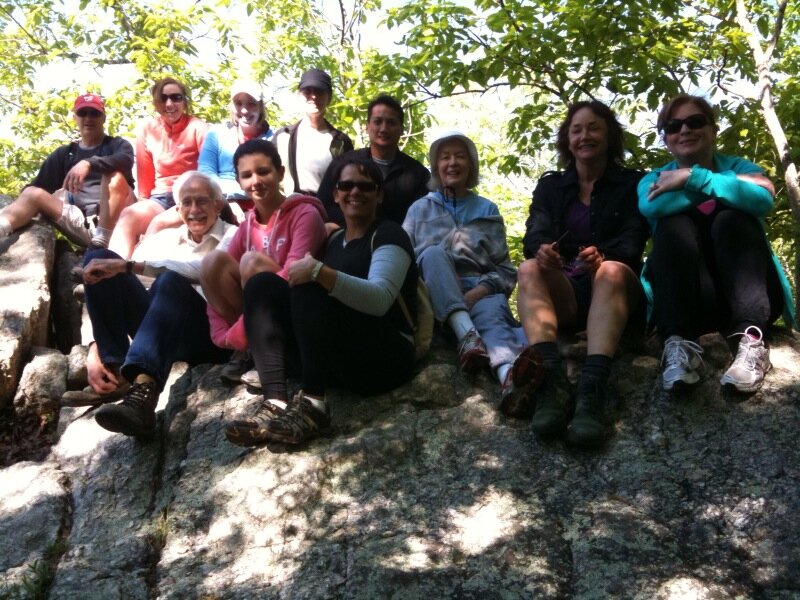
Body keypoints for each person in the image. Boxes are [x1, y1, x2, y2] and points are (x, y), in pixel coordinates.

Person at [224, 156, 418, 446]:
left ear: (379, 195)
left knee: (311, 284)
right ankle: (275, 402)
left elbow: (380, 299)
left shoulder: (389, 234)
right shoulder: (334, 241)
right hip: (342, 360)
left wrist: (319, 272)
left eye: (365, 186)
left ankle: (314, 406)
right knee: (261, 284)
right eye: (346, 185)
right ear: (335, 194)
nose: (355, 192)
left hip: (386, 360)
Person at [639, 94, 794, 393]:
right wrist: (734, 183)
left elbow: (762, 200)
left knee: (731, 219)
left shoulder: (737, 163)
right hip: (690, 304)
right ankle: (676, 344)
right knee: (672, 226)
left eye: (695, 122)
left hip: (752, 298)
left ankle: (752, 341)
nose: (685, 130)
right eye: (674, 126)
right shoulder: (654, 178)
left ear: (712, 130)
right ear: (666, 138)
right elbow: (652, 206)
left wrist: (690, 177)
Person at [516, 101, 649, 446]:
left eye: (593, 128)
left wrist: (604, 256)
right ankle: (551, 384)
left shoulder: (632, 183)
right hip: (567, 293)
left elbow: (634, 240)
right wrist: (542, 251)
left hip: (614, 293)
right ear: (567, 139)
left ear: (610, 136)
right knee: (529, 268)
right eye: (576, 130)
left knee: (611, 270)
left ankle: (592, 390)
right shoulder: (552, 187)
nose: (584, 136)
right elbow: (534, 234)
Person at [78, 171, 236, 436]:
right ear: (178, 209)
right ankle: (115, 371)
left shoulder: (235, 236)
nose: (194, 210)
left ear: (218, 204)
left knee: (170, 280)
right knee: (99, 259)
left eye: (202, 201)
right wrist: (96, 345)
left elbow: (202, 270)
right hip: (162, 329)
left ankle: (143, 395)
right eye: (187, 203)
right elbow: (120, 277)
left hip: (207, 335)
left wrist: (129, 266)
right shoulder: (165, 239)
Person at [402, 131, 530, 404]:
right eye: (445, 157)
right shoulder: (418, 210)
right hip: (433, 296)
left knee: (493, 319)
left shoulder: (486, 209)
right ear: (436, 166)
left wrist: (476, 293)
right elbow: (403, 262)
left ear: (471, 165)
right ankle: (467, 336)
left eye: (460, 156)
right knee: (433, 254)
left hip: (480, 291)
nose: (452, 163)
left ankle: (510, 381)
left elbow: (506, 271)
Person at [200, 138, 327, 368]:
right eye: (247, 175)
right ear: (238, 181)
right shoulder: (247, 225)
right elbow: (215, 282)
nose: (256, 181)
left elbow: (294, 275)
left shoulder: (305, 214)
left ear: (280, 173)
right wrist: (222, 335)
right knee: (212, 262)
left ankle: (261, 349)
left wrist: (237, 333)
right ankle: (249, 351)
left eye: (263, 172)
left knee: (251, 263)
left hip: (296, 315)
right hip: (256, 321)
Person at [0, 93, 134, 248]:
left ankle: (102, 244)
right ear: (75, 117)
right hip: (83, 224)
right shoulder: (65, 154)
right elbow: (37, 188)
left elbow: (126, 160)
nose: (88, 118)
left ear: (103, 118)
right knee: (32, 193)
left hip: (120, 224)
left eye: (94, 113)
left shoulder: (117, 145)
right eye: (82, 113)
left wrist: (89, 163)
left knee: (114, 176)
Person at [108, 77, 207, 258]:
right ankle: (109, 268)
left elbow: (207, 174)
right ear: (156, 103)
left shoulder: (198, 128)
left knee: (157, 225)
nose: (169, 104)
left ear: (184, 101)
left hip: (188, 197)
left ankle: (133, 269)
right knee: (128, 215)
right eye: (163, 98)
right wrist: (142, 203)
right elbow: (145, 177)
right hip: (160, 198)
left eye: (176, 97)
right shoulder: (148, 129)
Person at [317, 94, 430, 226]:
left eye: (391, 123)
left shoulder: (417, 174)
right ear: (367, 127)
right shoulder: (344, 164)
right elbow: (322, 206)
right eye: (377, 122)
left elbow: (422, 219)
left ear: (401, 129)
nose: (384, 129)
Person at [198, 79, 273, 222]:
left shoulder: (273, 139)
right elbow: (205, 172)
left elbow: (273, 181)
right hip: (218, 202)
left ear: (261, 107)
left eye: (251, 103)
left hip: (260, 204)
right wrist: (228, 200)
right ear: (231, 107)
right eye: (238, 103)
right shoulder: (216, 134)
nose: (244, 110)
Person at [272, 68, 353, 196]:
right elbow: (270, 175)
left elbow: (348, 182)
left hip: (327, 207)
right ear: (299, 95)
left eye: (320, 92)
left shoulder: (340, 142)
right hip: (291, 206)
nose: (314, 96)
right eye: (307, 91)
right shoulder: (283, 137)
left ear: (329, 98)